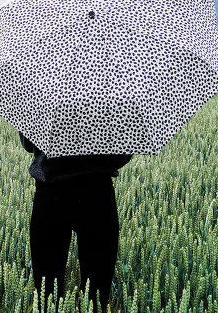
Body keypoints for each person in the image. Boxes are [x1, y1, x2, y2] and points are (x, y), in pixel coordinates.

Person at [19, 132, 131, 311]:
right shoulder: (112, 104)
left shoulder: (46, 103)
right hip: (97, 194)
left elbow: (29, 144)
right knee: (96, 295)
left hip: (50, 192)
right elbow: (121, 156)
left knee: (47, 293)